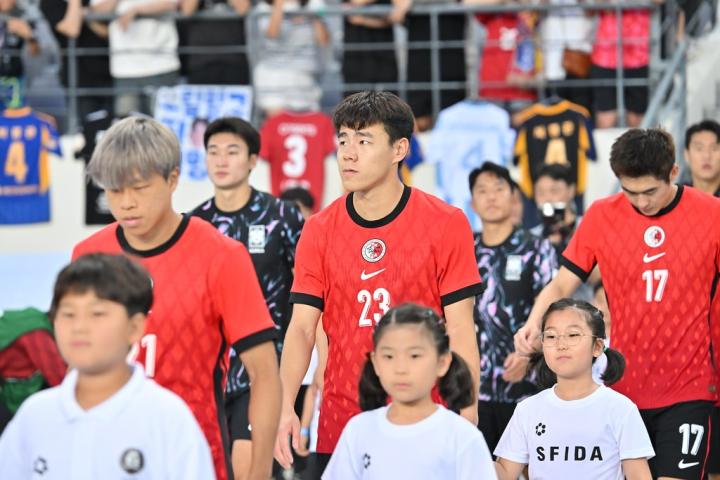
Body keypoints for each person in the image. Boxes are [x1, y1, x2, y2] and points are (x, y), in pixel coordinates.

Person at [274, 91, 483, 475]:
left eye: (364, 141)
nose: (348, 154)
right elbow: (301, 327)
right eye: (343, 141)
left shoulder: (446, 222)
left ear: (399, 149)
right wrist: (284, 403)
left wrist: (468, 409)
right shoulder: (318, 229)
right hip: (341, 419)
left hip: (426, 416)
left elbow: (460, 327)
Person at [71, 117, 281, 480]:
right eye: (115, 190)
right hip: (104, 456)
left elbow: (264, 374)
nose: (126, 203)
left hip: (191, 457)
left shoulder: (221, 256)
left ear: (172, 179)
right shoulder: (88, 256)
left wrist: (260, 473)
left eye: (139, 188)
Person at [515, 128, 720, 479]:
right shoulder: (600, 216)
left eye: (650, 191)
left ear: (673, 172)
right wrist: (535, 321)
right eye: (630, 191)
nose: (642, 202)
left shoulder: (712, 214)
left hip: (691, 387)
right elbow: (563, 282)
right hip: (622, 392)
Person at [0, 253, 215, 479]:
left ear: (134, 328)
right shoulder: (34, 416)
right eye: (69, 314)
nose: (79, 327)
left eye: (97, 314)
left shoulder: (167, 418)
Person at [191, 117, 304, 480]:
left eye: (232, 151)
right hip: (210, 373)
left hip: (262, 371)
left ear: (253, 160)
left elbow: (310, 291)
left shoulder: (282, 216)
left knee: (248, 468)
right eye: (213, 152)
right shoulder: (195, 225)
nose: (221, 160)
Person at [323, 303, 496, 479]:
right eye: (389, 356)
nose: (400, 369)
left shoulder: (462, 437)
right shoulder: (358, 430)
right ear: (375, 362)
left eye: (414, 356)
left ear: (442, 362)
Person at [495, 299, 654, 479]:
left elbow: (639, 476)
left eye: (572, 335)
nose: (561, 344)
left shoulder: (621, 409)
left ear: (597, 346)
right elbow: (505, 473)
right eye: (551, 336)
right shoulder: (527, 410)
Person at [469, 161, 556, 454]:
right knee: (481, 470)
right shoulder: (464, 251)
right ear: (473, 202)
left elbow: (553, 310)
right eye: (482, 191)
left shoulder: (536, 248)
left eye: (498, 189)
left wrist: (529, 354)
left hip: (527, 387)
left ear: (514, 196)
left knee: (535, 468)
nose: (491, 197)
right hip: (476, 390)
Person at [0, 308, 66, 433]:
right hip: (14, 396)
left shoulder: (32, 319)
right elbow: (58, 376)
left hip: (16, 385)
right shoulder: (38, 333)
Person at [683, 119, 720, 196]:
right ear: (687, 154)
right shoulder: (676, 197)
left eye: (714, 148)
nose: (707, 156)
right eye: (699, 148)